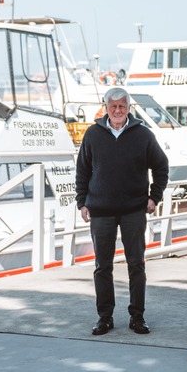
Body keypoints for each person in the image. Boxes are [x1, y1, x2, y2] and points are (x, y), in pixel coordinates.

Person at [75, 87, 169, 336]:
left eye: (122, 106)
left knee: (136, 264)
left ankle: (137, 317)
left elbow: (161, 167)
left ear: (129, 108)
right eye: (113, 106)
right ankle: (104, 317)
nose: (117, 110)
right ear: (106, 107)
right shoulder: (93, 134)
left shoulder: (144, 135)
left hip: (134, 210)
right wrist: (82, 202)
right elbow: (83, 171)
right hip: (101, 211)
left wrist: (154, 197)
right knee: (102, 267)